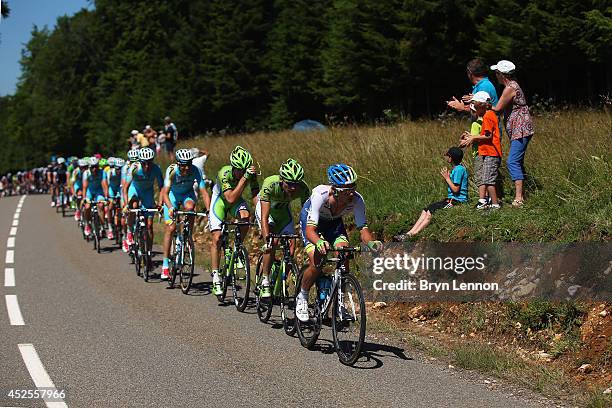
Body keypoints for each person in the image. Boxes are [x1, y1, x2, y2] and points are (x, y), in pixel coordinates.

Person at [296, 164, 382, 322]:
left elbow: (363, 229)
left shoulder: (357, 199)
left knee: (344, 253)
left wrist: (372, 244)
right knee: (317, 262)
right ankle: (303, 296)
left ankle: (340, 301)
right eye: (346, 190)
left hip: (334, 224)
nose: (351, 193)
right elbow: (310, 231)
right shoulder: (320, 195)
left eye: (353, 187)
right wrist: (319, 242)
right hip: (312, 224)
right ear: (335, 189)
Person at [209, 146, 259, 296]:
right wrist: (245, 179)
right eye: (239, 170)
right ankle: (216, 276)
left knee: (245, 216)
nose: (241, 173)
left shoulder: (249, 174)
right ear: (233, 167)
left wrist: (261, 213)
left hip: (236, 202)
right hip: (220, 202)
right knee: (217, 238)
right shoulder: (224, 173)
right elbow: (229, 197)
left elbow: (255, 195)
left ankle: (237, 247)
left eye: (244, 170)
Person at [255, 159, 310, 297]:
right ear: (281, 180)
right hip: (267, 212)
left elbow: (307, 216)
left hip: (284, 213)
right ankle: (265, 280)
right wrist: (267, 236)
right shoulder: (270, 184)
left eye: (296, 184)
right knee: (272, 243)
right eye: (289, 184)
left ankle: (282, 277)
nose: (293, 188)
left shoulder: (303, 189)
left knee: (291, 247)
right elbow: (264, 216)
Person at [160, 149, 211, 280]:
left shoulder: (195, 170)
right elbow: (165, 192)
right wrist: (170, 207)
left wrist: (210, 211)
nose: (186, 168)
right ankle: (165, 264)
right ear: (178, 164)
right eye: (183, 165)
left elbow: (204, 192)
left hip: (187, 195)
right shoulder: (171, 170)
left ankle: (186, 235)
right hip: (172, 196)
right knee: (170, 228)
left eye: (188, 164)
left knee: (190, 208)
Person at [490, 60, 534, 207]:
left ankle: (519, 198)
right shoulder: (512, 85)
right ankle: (523, 194)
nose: (495, 76)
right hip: (518, 128)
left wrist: (479, 102)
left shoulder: (510, 88)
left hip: (520, 128)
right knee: (517, 161)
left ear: (502, 75)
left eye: (496, 73)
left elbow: (497, 108)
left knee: (512, 161)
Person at [398, 148, 468, 238]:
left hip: (458, 201)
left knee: (431, 212)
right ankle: (409, 233)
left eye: (447, 155)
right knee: (426, 210)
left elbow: (455, 189)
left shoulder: (459, 170)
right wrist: (448, 177)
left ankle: (413, 234)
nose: (445, 156)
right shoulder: (456, 169)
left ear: (451, 158)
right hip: (450, 199)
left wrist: (447, 178)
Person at [459, 91, 502, 210]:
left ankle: (495, 204)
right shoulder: (489, 115)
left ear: (481, 106)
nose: (474, 111)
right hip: (488, 152)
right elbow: (485, 134)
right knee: (487, 180)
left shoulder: (488, 116)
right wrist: (471, 136)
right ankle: (493, 203)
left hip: (491, 153)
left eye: (476, 107)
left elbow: (488, 136)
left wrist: (473, 137)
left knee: (488, 180)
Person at [122, 147, 163, 255]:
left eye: (149, 163)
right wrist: (126, 204)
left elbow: (162, 187)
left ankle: (148, 251)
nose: (147, 166)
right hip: (134, 190)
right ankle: (130, 232)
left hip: (147, 193)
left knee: (149, 225)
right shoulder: (134, 168)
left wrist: (160, 203)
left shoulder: (156, 169)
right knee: (134, 206)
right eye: (144, 163)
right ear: (140, 162)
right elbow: (125, 188)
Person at [82, 157, 109, 237]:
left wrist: (106, 196)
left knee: (101, 205)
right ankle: (87, 224)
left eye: (96, 167)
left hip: (99, 191)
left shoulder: (102, 172)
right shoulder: (86, 173)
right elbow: (84, 187)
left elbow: (104, 185)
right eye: (92, 167)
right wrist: (84, 198)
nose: (94, 169)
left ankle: (102, 226)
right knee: (87, 207)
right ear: (89, 167)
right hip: (89, 191)